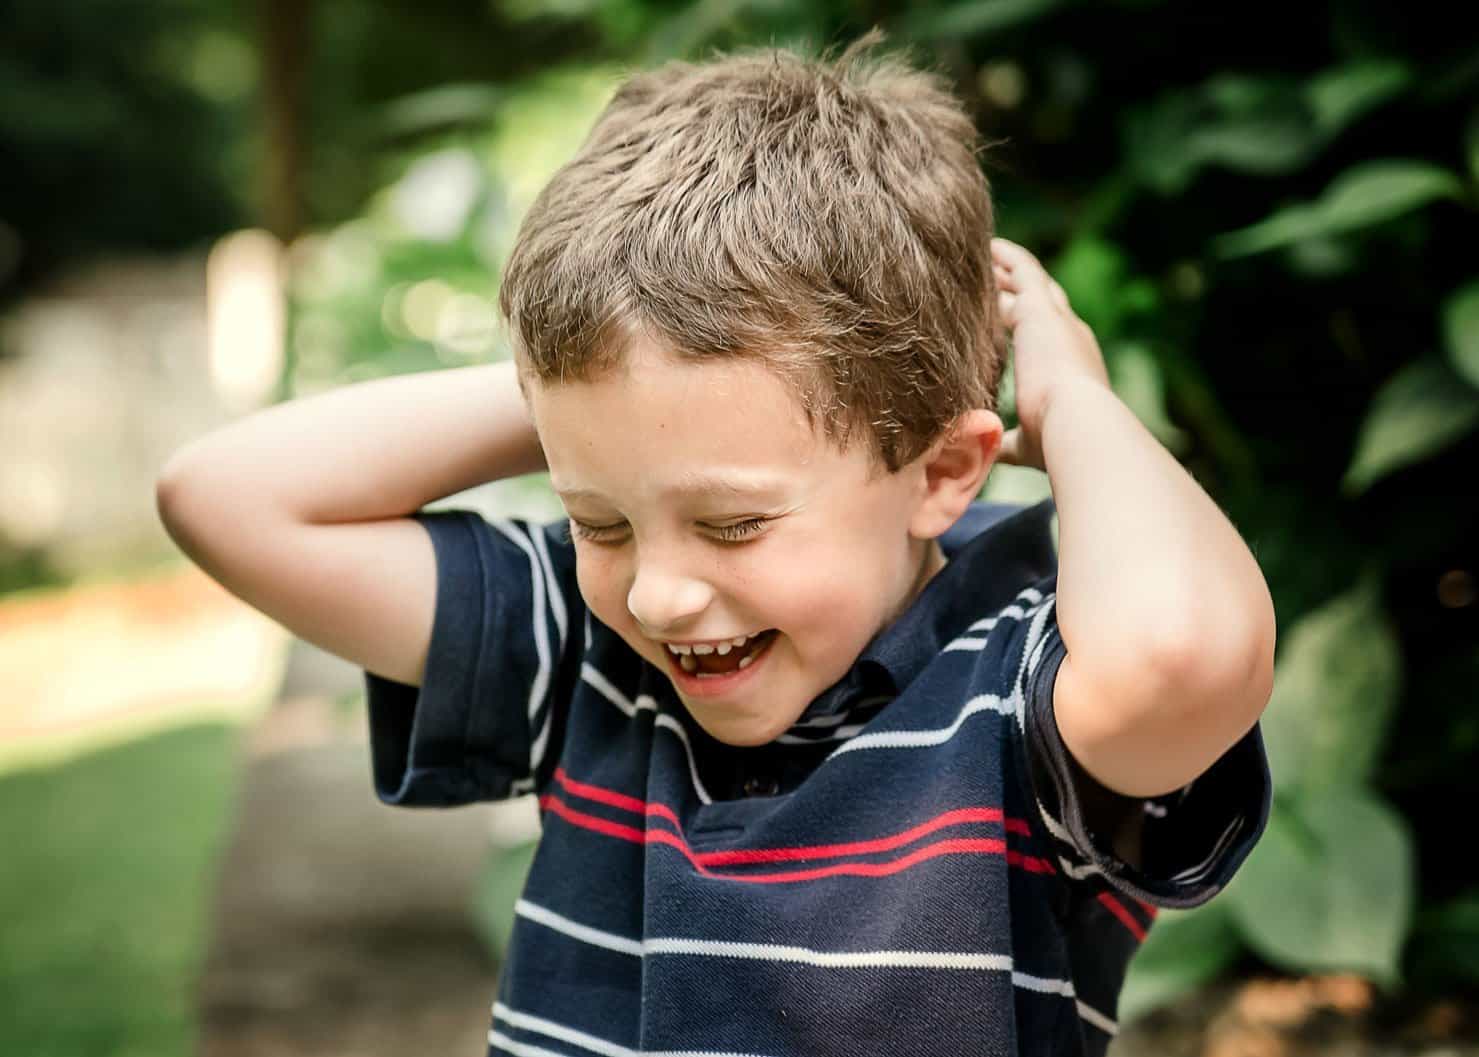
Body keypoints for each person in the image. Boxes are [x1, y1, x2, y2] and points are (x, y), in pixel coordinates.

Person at [157, 35, 1276, 1057]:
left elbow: (1182, 653)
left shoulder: (1020, 698)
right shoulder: (599, 664)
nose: (658, 594)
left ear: (941, 470)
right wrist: (601, 382)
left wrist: (1072, 395)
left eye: (733, 522)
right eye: (600, 520)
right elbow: (227, 497)